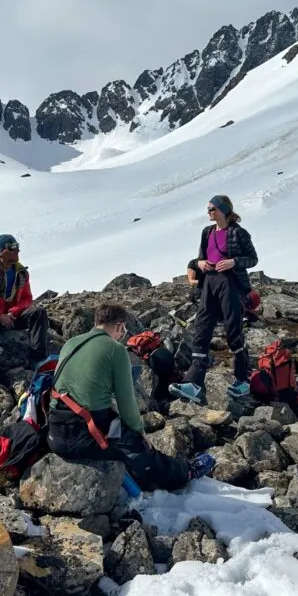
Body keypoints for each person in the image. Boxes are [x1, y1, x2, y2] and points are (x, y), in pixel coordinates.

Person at [47, 303, 215, 491]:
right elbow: (127, 404)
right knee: (138, 447)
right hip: (82, 436)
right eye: (123, 329)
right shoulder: (115, 350)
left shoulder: (71, 343)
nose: (122, 334)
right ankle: (186, 473)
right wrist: (140, 433)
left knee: (110, 422)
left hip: (54, 431)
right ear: (119, 326)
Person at [170, 195, 258, 404]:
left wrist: (233, 262)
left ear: (223, 210)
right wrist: (201, 264)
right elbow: (201, 256)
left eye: (212, 208)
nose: (209, 212)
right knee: (202, 326)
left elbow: (253, 259)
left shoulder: (238, 233)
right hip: (209, 283)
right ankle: (194, 382)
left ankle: (242, 379)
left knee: (233, 327)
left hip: (231, 284)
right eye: (208, 209)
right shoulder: (207, 232)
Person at [0, 233, 49, 392]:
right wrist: (0, 315)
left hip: (13, 317)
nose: (18, 250)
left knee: (38, 312)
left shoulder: (21, 272)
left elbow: (27, 298)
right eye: (13, 247)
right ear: (3, 251)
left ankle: (37, 361)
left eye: (17, 246)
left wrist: (13, 312)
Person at [187, 258, 261, 322]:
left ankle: (245, 310)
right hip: (201, 291)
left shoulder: (219, 262)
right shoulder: (194, 263)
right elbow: (191, 281)